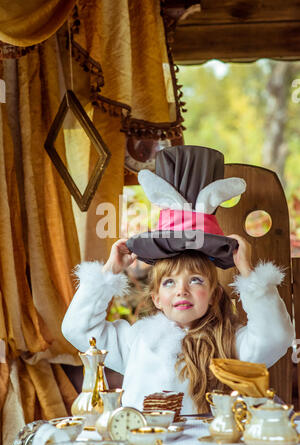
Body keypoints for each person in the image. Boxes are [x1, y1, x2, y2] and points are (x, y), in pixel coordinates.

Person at [61, 145, 294, 413]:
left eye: (196, 280)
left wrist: (249, 274)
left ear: (214, 294)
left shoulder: (231, 344)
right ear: (156, 299)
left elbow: (277, 337)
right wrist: (110, 271)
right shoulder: (136, 341)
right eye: (169, 282)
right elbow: (77, 330)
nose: (182, 290)